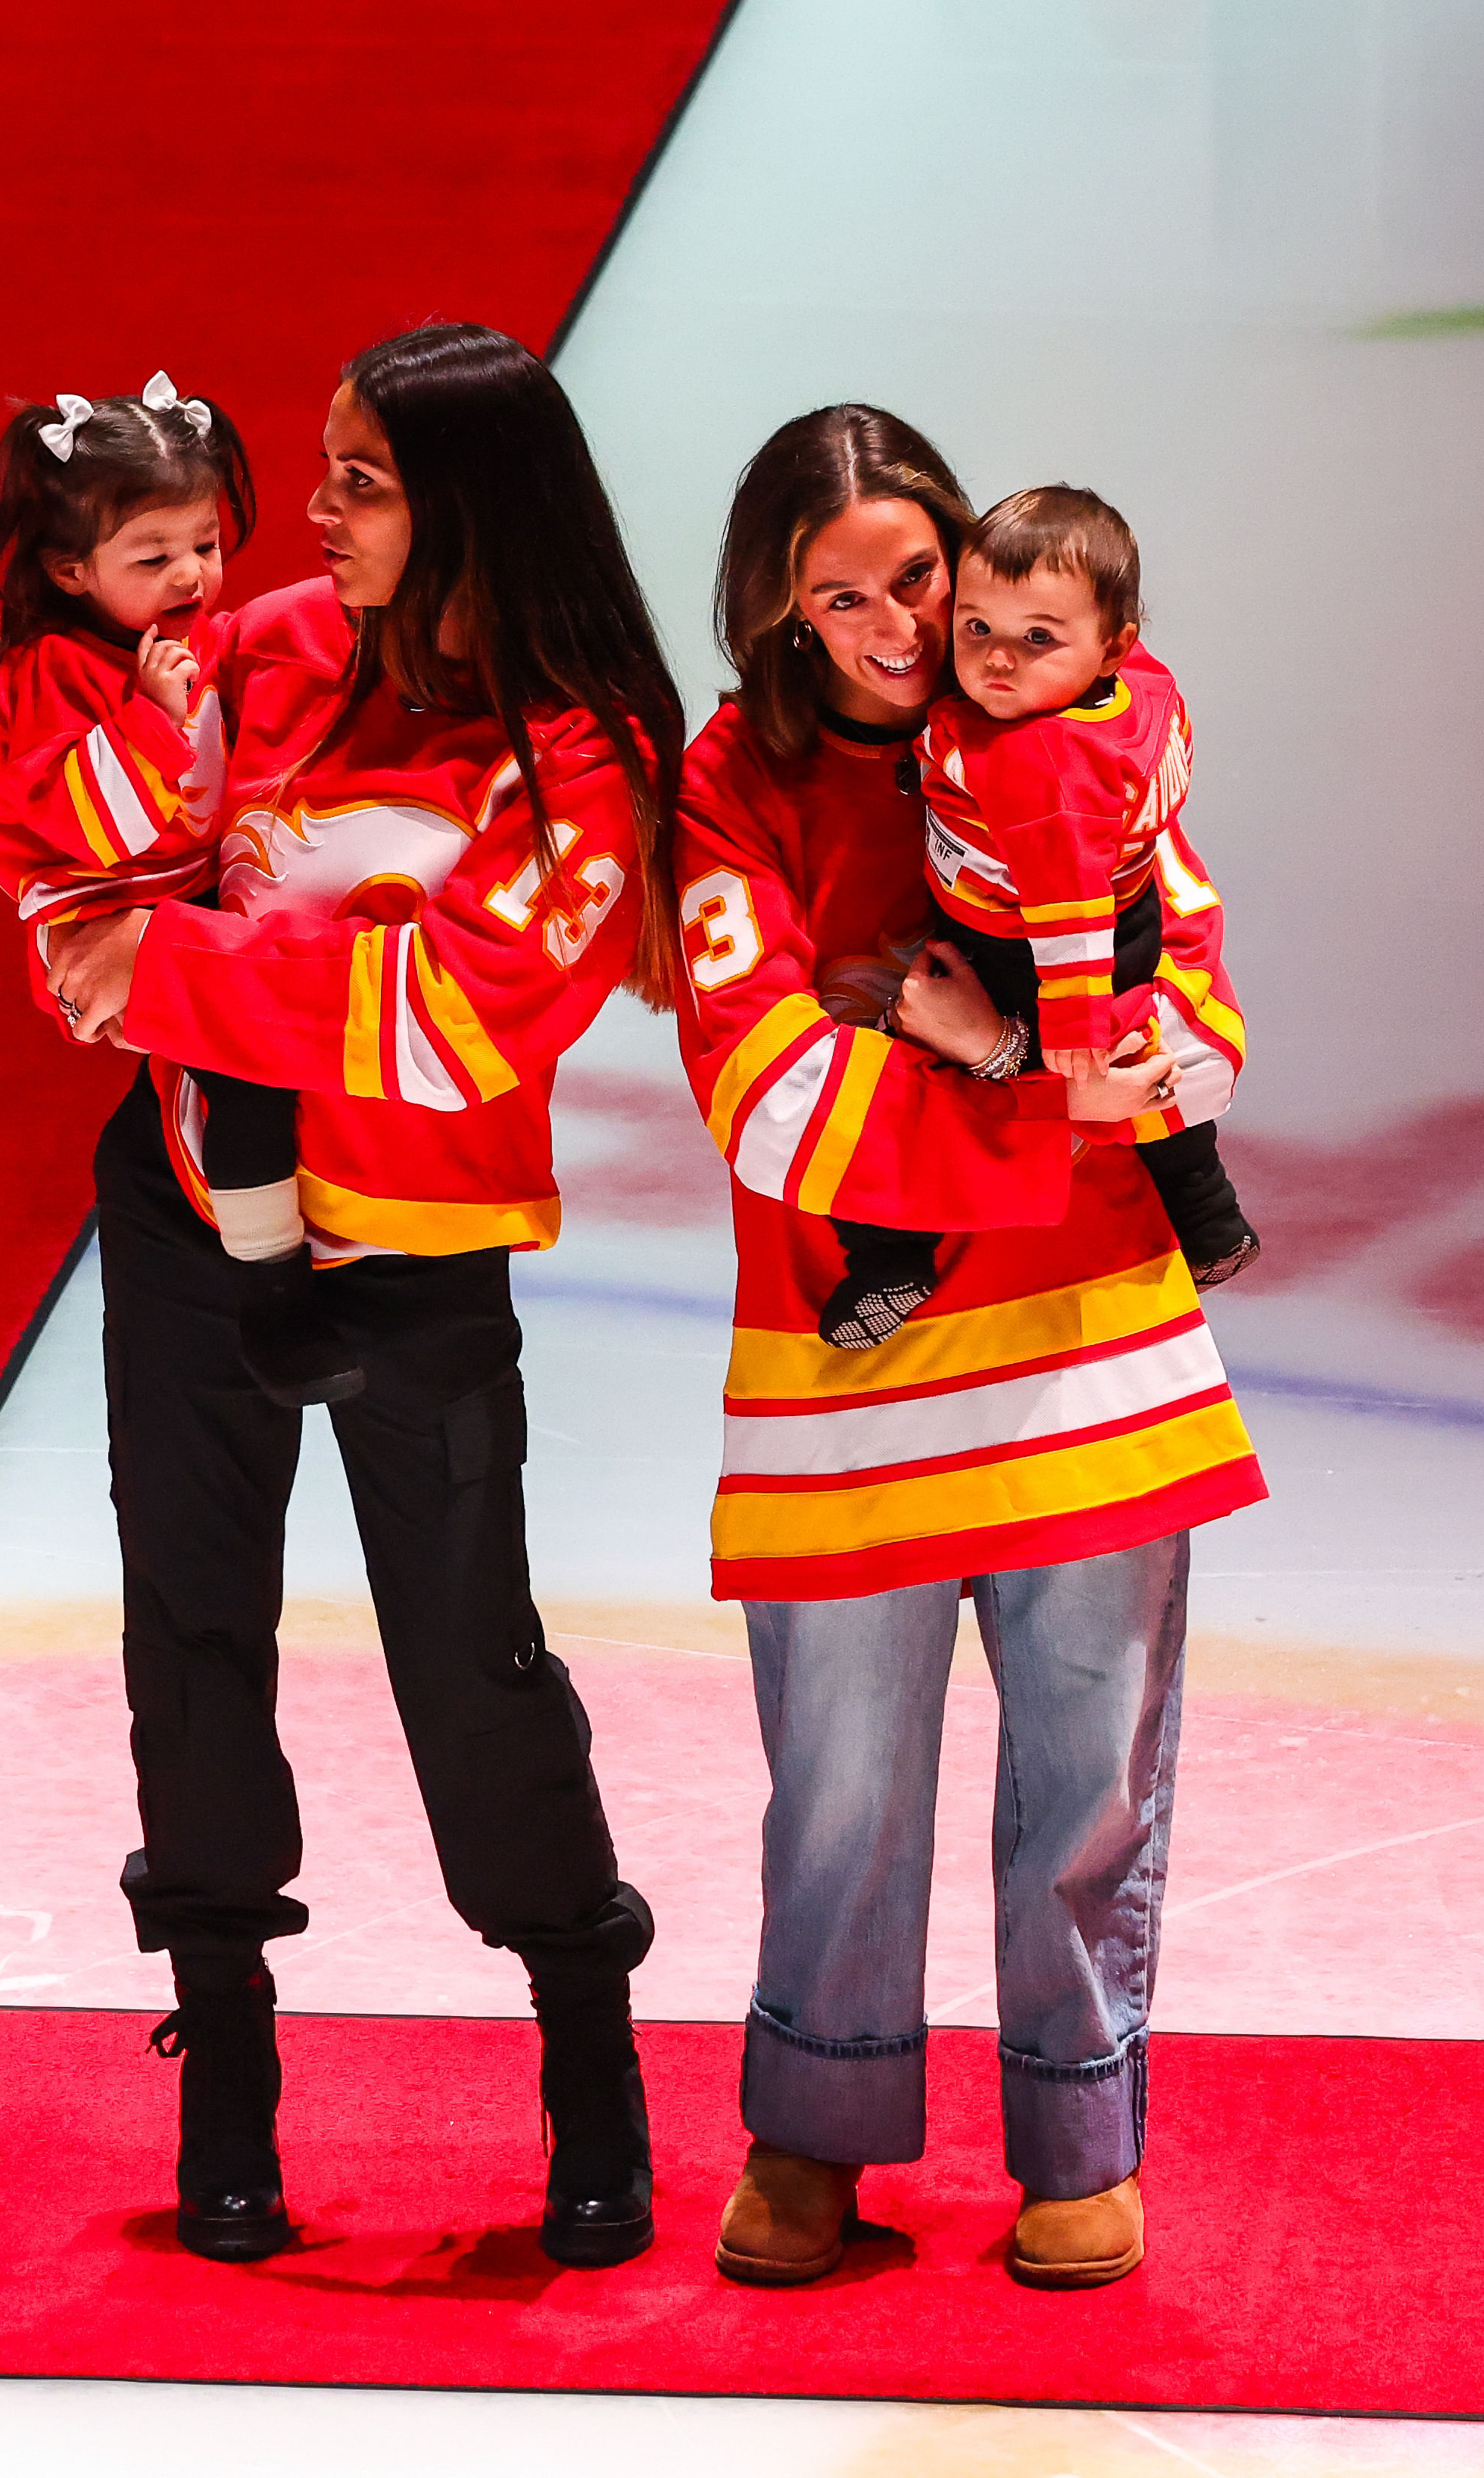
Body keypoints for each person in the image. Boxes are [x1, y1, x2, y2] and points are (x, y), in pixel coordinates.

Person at [45, 323, 684, 2270]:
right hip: (180, 1220)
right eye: (321, 470)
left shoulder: (582, 747)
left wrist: (175, 974)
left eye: (358, 481)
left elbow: (462, 1025)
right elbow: (67, 894)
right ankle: (223, 2065)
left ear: (469, 507)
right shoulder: (257, 653)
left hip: (415, 1250)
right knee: (192, 1642)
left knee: (468, 1664)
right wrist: (128, 940)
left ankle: (590, 2052)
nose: (304, 515)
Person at [667, 404, 1265, 2290]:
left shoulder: (1093, 729)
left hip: (1096, 1353)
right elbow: (755, 1097)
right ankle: (815, 2119)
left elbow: (1200, 1011)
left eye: (914, 575)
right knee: (836, 1784)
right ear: (774, 607)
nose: (892, 623)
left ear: (967, 547)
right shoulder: (727, 784)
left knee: (1091, 1773)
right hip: (847, 1376)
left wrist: (1013, 1059)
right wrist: (1061, 1107)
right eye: (831, 592)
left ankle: (1078, 2130)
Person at [0, 373, 357, 1405]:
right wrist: (149, 725)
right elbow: (70, 831)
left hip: (206, 895)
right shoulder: (46, 681)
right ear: (71, 569)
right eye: (154, 556)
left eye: (207, 545)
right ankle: (272, 1284)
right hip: (109, 921)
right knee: (246, 1074)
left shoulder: (197, 640)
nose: (192, 576)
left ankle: (325, 1239)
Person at [817, 485, 1256, 1347]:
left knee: (906, 1068)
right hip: (1131, 918)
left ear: (1111, 643)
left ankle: (888, 1257)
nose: (996, 663)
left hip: (1031, 946)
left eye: (1037, 639)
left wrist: (1068, 1053)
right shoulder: (1140, 686)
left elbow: (1070, 915)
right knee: (1151, 1063)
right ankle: (1211, 1219)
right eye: (977, 627)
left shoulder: (1036, 763)